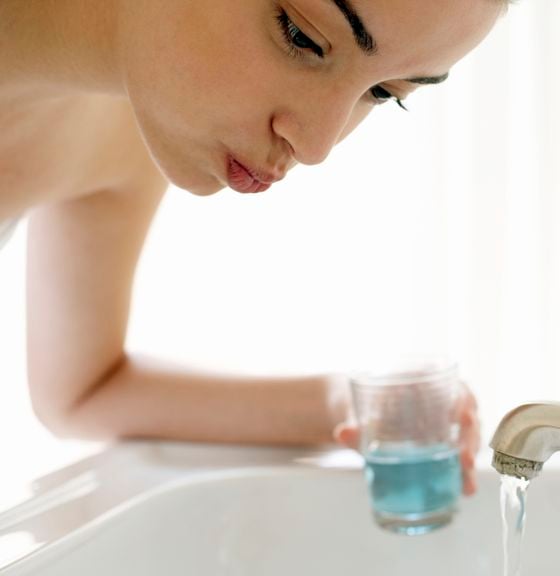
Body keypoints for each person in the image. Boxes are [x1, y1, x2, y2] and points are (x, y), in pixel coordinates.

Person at [0, 0, 508, 496]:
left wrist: (345, 405)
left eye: (381, 91)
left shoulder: (123, 124)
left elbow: (83, 390)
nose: (316, 145)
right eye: (302, 35)